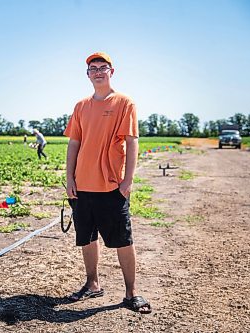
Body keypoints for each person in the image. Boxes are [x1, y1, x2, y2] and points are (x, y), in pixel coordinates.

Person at [63, 52, 151, 314]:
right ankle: (92, 284)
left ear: (112, 71)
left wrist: (128, 181)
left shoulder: (124, 103)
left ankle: (131, 293)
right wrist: (70, 179)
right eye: (93, 68)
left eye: (103, 67)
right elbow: (74, 144)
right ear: (87, 74)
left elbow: (132, 142)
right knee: (87, 239)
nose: (98, 71)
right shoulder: (81, 106)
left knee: (123, 240)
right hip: (82, 186)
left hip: (112, 186)